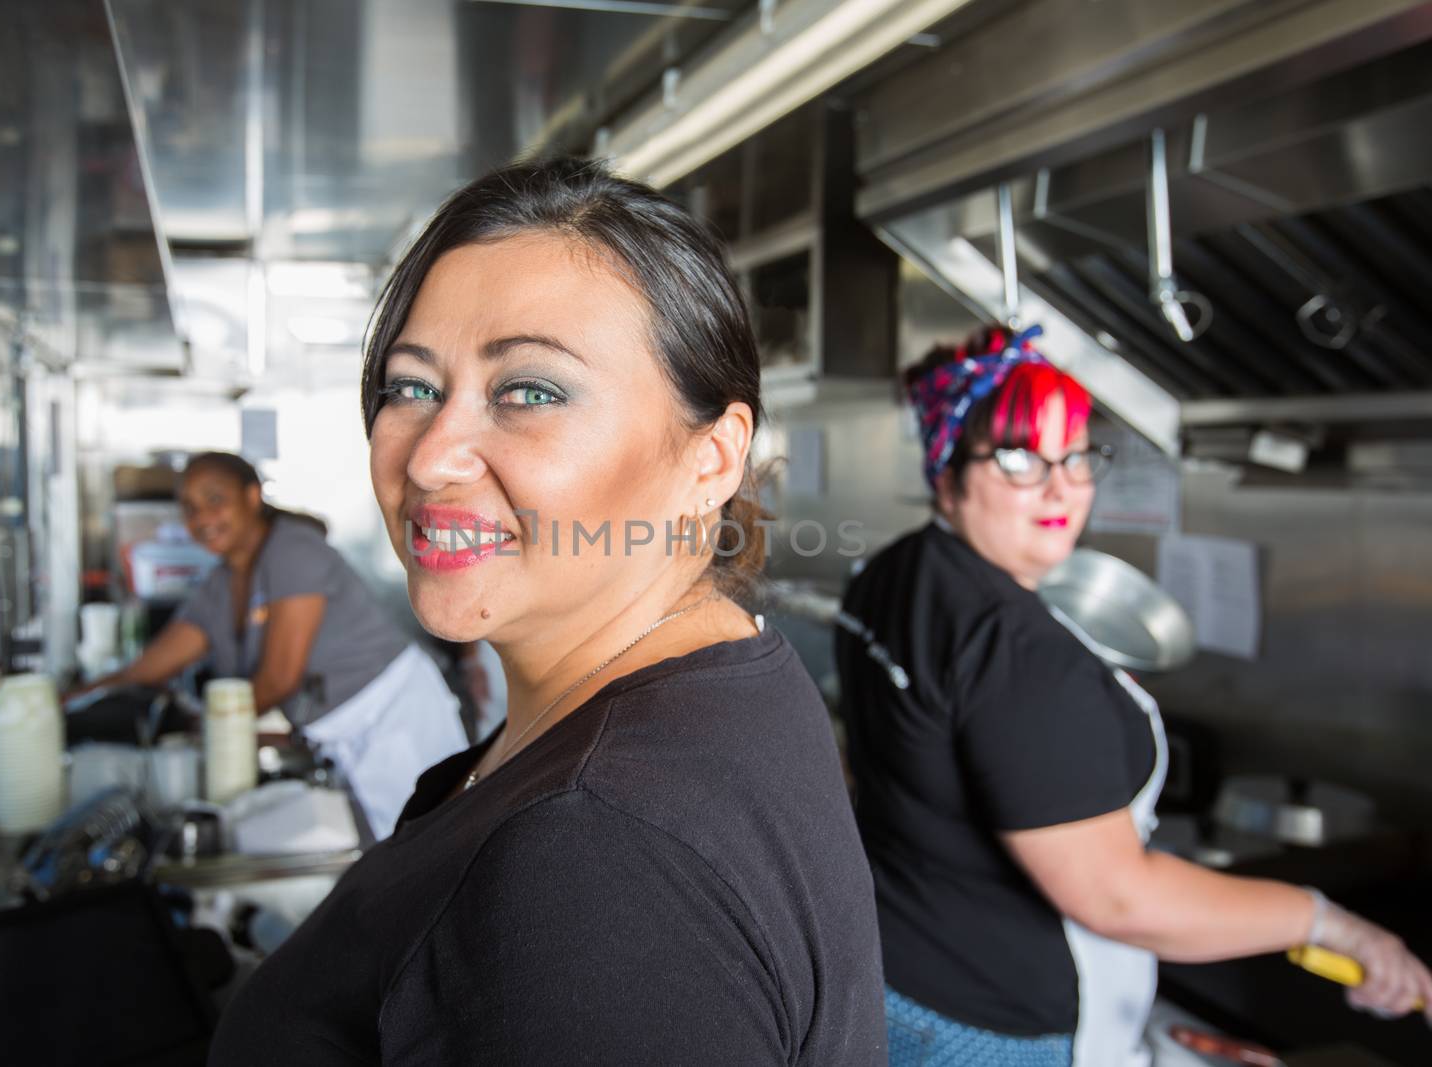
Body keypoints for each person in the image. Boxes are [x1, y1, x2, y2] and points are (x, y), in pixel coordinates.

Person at [207, 158, 886, 1065]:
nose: (432, 456)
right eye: (411, 386)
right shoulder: (715, 676)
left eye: (530, 390)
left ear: (713, 459)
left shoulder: (601, 862)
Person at [835, 323, 1432, 1067]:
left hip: (887, 971)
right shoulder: (1023, 656)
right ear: (947, 467)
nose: (1061, 487)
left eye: (1077, 454)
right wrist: (1329, 923)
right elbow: (1117, 897)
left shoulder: (889, 573)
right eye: (1020, 458)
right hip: (991, 1024)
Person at [84, 452, 467, 839]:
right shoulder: (220, 585)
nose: (202, 518)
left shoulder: (292, 551)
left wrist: (201, 727)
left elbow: (277, 680)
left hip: (393, 715)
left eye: (215, 500)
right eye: (190, 507)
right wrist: (78, 698)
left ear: (252, 497)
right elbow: (152, 666)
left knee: (423, 845)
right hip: (333, 734)